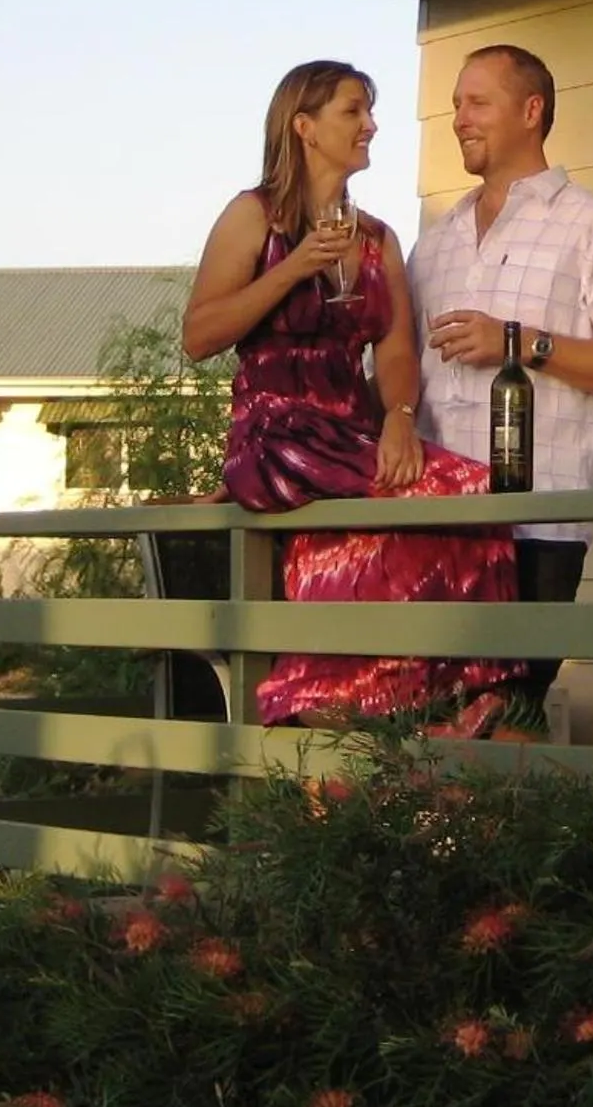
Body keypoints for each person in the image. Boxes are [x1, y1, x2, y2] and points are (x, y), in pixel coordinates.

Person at [182, 59, 525, 729]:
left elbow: (396, 346)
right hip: (277, 430)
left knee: (475, 488)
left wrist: (399, 418)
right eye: (353, 111)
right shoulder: (253, 216)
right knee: (394, 509)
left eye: (369, 111)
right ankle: (321, 695)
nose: (370, 125)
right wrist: (295, 268)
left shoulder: (377, 239)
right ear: (304, 127)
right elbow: (199, 334)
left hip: (352, 434)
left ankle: (453, 690)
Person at [410, 44, 593, 698]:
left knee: (508, 719)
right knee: (424, 727)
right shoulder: (433, 244)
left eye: (476, 102)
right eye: (454, 106)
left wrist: (521, 342)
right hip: (433, 522)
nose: (459, 119)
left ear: (531, 111)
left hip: (537, 524)